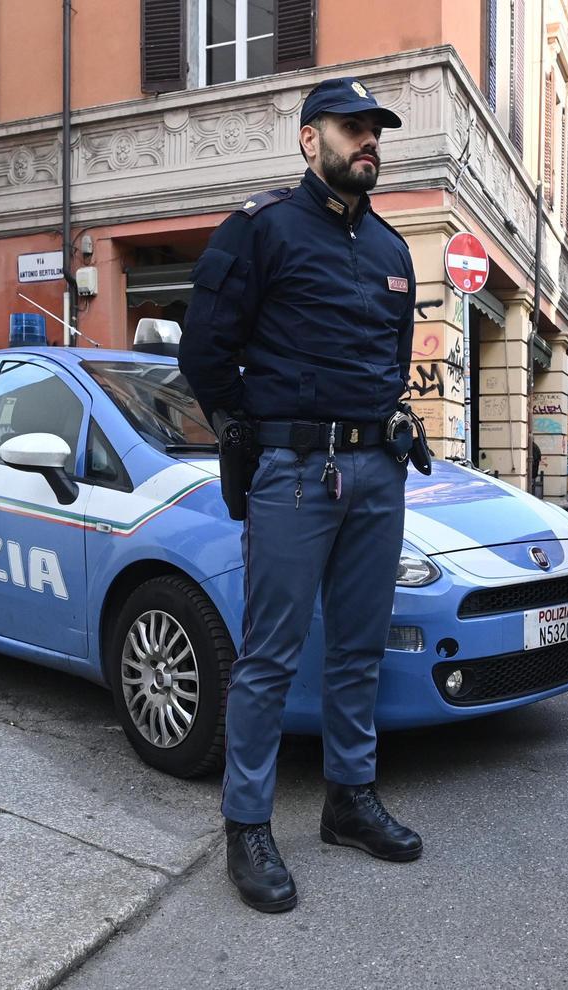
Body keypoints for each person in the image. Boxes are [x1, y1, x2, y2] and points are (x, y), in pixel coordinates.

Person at [178, 77, 422, 914]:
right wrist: (251, 430)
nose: (369, 143)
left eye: (375, 132)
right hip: (292, 472)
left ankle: (348, 799)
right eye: (353, 129)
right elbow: (205, 349)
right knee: (270, 656)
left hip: (376, 474)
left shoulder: (393, 250)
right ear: (308, 139)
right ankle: (247, 822)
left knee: (360, 648)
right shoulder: (261, 230)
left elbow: (393, 357)